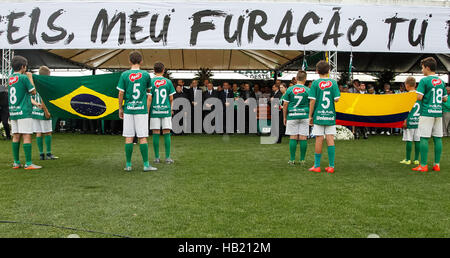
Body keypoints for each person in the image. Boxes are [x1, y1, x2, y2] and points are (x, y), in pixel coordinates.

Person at [117, 51, 156, 172]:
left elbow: (120, 93)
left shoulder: (124, 75)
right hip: (141, 110)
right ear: (141, 61)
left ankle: (128, 165)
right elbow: (149, 93)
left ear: (129, 61)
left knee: (129, 137)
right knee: (142, 137)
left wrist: (120, 108)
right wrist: (147, 109)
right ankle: (146, 165)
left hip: (129, 109)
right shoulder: (146, 75)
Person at [413, 57, 448, 172]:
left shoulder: (424, 80)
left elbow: (419, 97)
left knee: (424, 138)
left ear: (427, 68)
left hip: (426, 112)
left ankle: (423, 165)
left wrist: (415, 94)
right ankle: (436, 164)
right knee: (438, 138)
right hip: (438, 112)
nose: (422, 70)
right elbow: (444, 99)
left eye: (422, 68)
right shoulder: (441, 81)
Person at [8, 55, 42, 169]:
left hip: (13, 111)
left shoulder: (10, 78)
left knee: (16, 136)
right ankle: (28, 163)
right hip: (24, 111)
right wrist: (30, 78)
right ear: (23, 67)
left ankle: (16, 162)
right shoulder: (23, 78)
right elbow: (33, 92)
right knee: (27, 135)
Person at [308, 60, 340, 173]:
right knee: (330, 138)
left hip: (318, 115)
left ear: (317, 71)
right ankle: (331, 166)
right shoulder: (334, 83)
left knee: (319, 138)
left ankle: (317, 166)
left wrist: (310, 115)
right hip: (330, 115)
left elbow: (312, 101)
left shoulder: (315, 84)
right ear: (329, 71)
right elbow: (337, 99)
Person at [29, 66, 58, 160]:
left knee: (38, 132)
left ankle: (41, 154)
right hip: (42, 111)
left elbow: (30, 97)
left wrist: (36, 105)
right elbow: (43, 99)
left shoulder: (34, 83)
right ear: (48, 74)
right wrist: (46, 111)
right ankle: (49, 153)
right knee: (48, 132)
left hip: (35, 111)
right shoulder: (44, 84)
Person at [149, 62, 176, 164]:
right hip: (166, 110)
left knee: (155, 133)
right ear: (163, 70)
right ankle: (168, 157)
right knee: (166, 132)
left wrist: (148, 111)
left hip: (155, 110)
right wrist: (170, 108)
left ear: (154, 70)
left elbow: (149, 98)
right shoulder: (168, 82)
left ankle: (157, 158)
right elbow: (171, 98)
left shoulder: (151, 82)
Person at [282, 70, 310, 165]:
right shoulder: (308, 90)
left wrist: (284, 117)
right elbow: (312, 104)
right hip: (304, 115)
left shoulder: (290, 89)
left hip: (292, 115)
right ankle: (302, 160)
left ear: (296, 78)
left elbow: (285, 104)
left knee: (293, 137)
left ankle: (292, 159)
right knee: (303, 137)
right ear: (305, 79)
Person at [400, 77, 420, 165]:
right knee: (417, 140)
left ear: (406, 85)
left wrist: (404, 121)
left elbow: (406, 110)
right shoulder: (419, 95)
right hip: (419, 121)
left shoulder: (407, 96)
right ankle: (416, 159)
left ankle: (408, 159)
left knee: (409, 140)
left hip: (409, 120)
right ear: (415, 85)